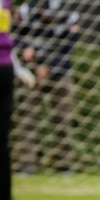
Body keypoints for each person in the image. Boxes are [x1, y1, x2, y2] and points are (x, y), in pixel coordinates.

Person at [14, 0, 80, 175]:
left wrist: (49, 66)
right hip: (31, 72)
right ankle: (27, 166)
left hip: (60, 72)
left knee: (63, 119)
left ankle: (64, 166)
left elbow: (68, 48)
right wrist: (25, 51)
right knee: (28, 119)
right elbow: (14, 36)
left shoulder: (70, 14)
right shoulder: (27, 9)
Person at [0, 0, 35, 200]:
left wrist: (18, 69)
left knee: (1, 140)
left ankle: (4, 199)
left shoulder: (6, 3)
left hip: (4, 72)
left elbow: (5, 38)